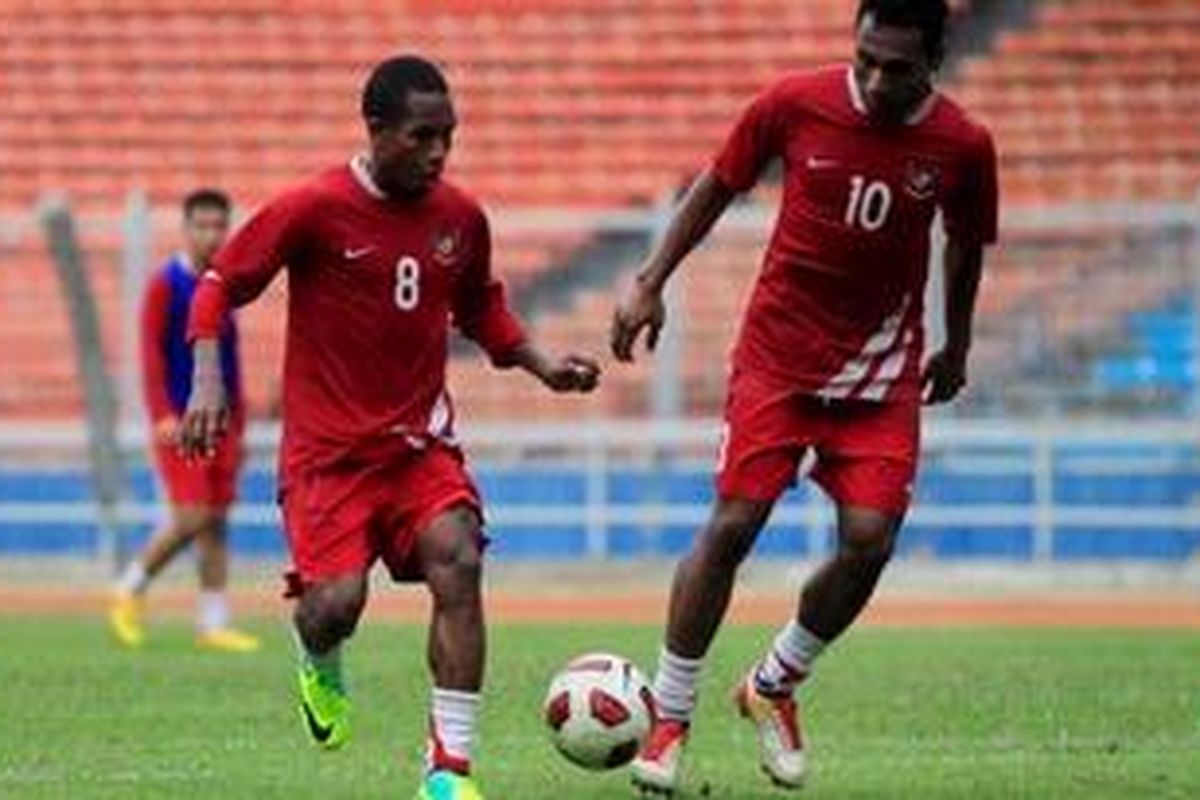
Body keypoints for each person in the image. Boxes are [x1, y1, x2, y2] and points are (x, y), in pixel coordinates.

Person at [179, 56, 600, 800]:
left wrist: (543, 366)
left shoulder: (461, 218)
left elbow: (481, 307)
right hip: (328, 458)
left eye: (448, 136)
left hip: (419, 448)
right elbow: (219, 285)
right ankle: (318, 653)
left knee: (459, 559)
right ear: (375, 130)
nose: (438, 153)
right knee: (335, 607)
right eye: (421, 136)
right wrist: (206, 377)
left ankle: (448, 772)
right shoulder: (314, 208)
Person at [610, 0, 998, 792]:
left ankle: (774, 683)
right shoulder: (793, 104)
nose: (876, 80)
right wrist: (650, 281)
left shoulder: (963, 145)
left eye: (897, 68)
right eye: (865, 60)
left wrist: (957, 343)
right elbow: (716, 186)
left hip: (880, 370)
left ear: (935, 61)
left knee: (870, 540)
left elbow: (964, 247)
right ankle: (670, 717)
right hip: (778, 360)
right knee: (734, 524)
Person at [109, 188, 259, 653]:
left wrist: (239, 425)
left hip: (222, 424)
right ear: (186, 228)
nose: (212, 235)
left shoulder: (223, 286)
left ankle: (213, 622)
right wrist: (161, 415)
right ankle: (129, 587)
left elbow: (229, 361)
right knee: (191, 515)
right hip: (180, 422)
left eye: (219, 226)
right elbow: (150, 355)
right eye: (203, 225)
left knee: (216, 521)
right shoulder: (165, 284)